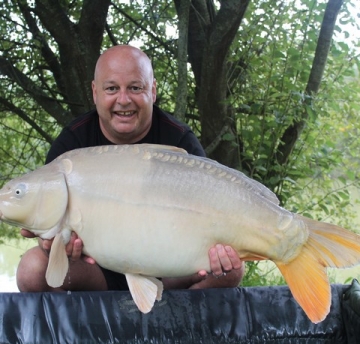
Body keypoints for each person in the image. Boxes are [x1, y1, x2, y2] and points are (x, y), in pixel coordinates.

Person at [16, 45, 244, 293]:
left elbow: (210, 212)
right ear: (95, 92)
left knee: (231, 271)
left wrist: (220, 252)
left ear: (153, 91)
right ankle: (84, 330)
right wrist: (50, 242)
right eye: (112, 88)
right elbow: (51, 227)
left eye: (135, 88)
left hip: (168, 269)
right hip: (95, 269)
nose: (123, 100)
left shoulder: (179, 141)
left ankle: (174, 328)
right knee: (32, 269)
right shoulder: (73, 143)